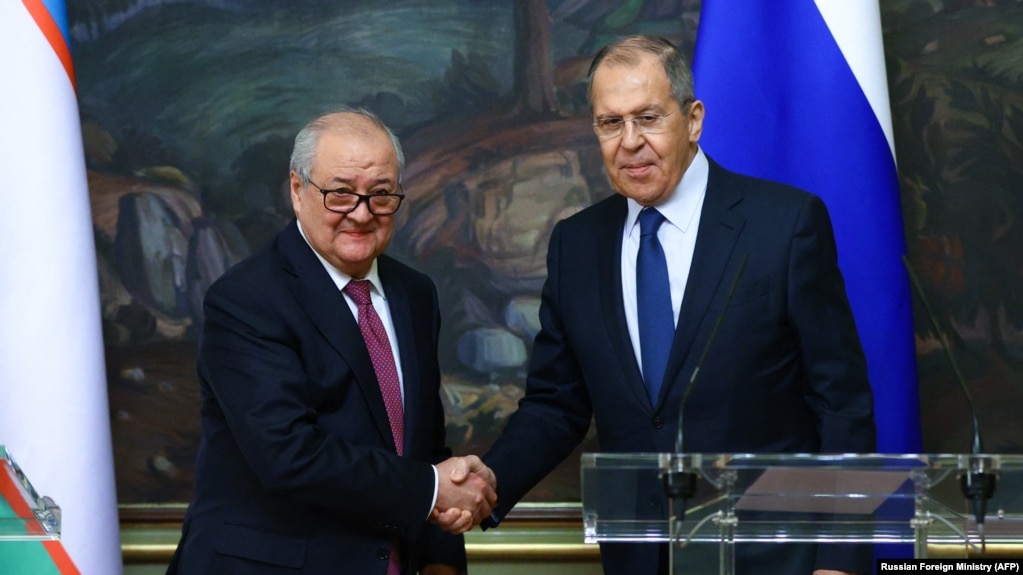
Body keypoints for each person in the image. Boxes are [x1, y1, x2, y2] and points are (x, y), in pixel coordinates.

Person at [471, 35, 877, 574]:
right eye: (610, 123)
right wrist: (487, 482)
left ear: (693, 119)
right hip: (638, 555)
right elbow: (556, 404)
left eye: (648, 117)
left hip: (771, 557)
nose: (630, 141)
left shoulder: (783, 225)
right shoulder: (578, 244)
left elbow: (840, 402)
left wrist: (842, 558)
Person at [167, 108, 497, 575]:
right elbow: (288, 455)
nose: (361, 214)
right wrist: (431, 488)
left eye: (380, 195)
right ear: (298, 191)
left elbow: (422, 446)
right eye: (340, 193)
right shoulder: (245, 299)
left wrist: (441, 559)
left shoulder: (414, 294)